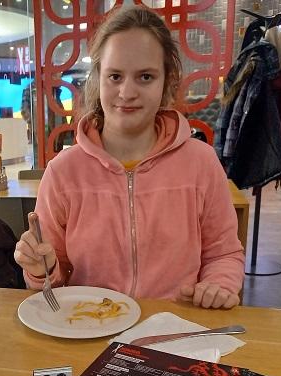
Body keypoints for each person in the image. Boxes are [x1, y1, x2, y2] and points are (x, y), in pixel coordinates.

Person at [14, 6, 244, 309]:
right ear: (98, 79)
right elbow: (53, 282)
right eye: (115, 76)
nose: (127, 92)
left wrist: (217, 285)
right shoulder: (63, 172)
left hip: (175, 323)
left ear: (167, 81)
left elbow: (224, 253)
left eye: (145, 77)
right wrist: (40, 268)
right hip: (91, 323)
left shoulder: (201, 163)